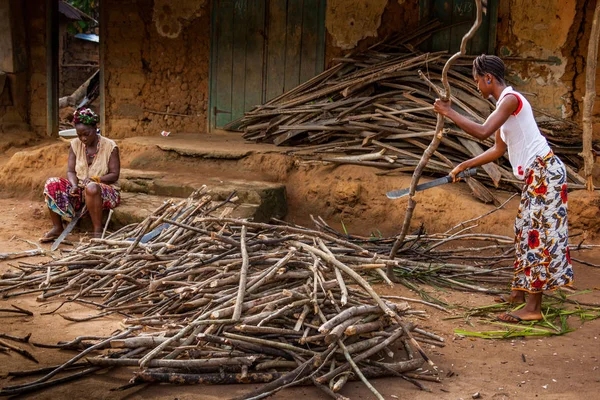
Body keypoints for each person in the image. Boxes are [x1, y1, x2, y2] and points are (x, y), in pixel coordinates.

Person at [433, 54, 573, 323]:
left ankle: (533, 308)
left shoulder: (511, 100)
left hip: (545, 172)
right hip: (536, 176)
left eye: (477, 81)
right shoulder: (503, 106)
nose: (476, 86)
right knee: (523, 230)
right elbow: (497, 148)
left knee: (537, 235)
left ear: (489, 78)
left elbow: (483, 131)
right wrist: (464, 164)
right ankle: (518, 295)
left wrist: (449, 112)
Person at [41, 108, 121, 240]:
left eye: (86, 134)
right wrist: (73, 185)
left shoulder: (110, 146)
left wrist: (95, 179)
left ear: (95, 128)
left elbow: (114, 175)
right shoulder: (75, 144)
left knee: (92, 187)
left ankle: (97, 231)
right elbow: (71, 171)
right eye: (79, 135)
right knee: (52, 183)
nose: (83, 138)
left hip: (106, 192)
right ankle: (57, 227)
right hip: (81, 190)